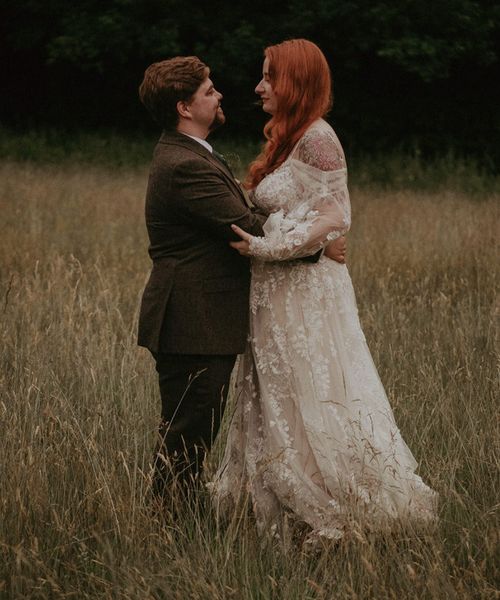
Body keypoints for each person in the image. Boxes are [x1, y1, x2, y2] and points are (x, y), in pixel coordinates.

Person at [210, 39, 437, 542]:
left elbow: (337, 217)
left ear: (296, 82)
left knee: (308, 387)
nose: (258, 86)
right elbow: (287, 211)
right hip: (274, 291)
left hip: (304, 292)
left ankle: (328, 502)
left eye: (269, 76)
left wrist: (267, 248)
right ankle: (269, 498)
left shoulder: (319, 138)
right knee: (275, 391)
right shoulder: (288, 139)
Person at [137, 56, 347, 502]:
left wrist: (308, 236)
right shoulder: (184, 164)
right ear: (184, 107)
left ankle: (176, 520)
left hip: (200, 318)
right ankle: (169, 524)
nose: (220, 95)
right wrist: (318, 240)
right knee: (187, 434)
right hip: (191, 318)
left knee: (192, 429)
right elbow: (248, 225)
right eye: (209, 91)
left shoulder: (193, 154)